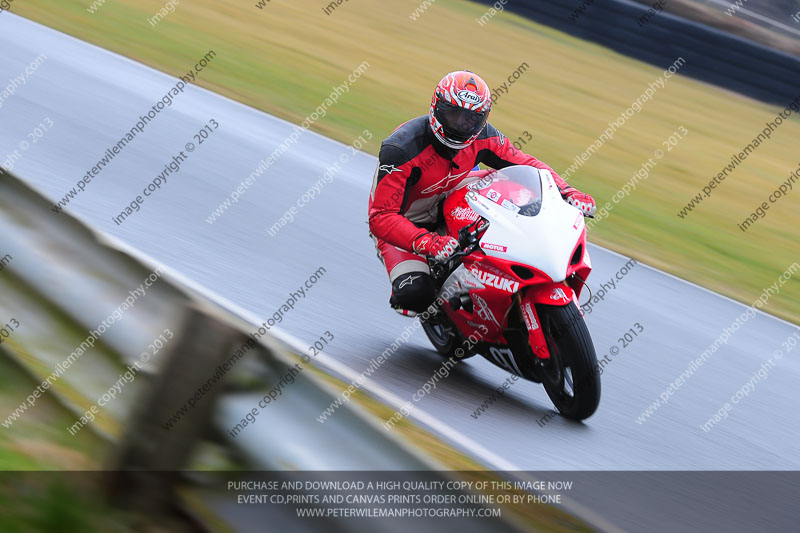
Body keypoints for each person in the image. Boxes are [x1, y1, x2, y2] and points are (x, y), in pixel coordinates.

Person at [367, 70, 595, 316]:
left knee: (515, 190)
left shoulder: (484, 135)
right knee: (415, 296)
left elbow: (526, 164)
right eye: (453, 114)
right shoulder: (401, 149)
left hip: (454, 196)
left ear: (482, 119)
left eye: (470, 119)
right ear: (437, 107)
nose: (460, 124)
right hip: (407, 221)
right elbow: (380, 216)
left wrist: (566, 190)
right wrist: (428, 243)